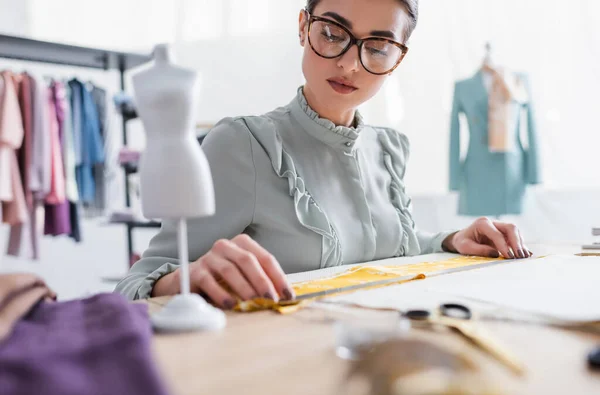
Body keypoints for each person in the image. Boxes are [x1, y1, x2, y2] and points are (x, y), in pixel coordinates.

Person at [115, 0, 532, 308]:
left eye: (378, 47)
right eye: (333, 34)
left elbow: (386, 250)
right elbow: (132, 285)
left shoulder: (387, 148)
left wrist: (452, 239)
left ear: (398, 58)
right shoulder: (244, 143)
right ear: (303, 27)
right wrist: (183, 281)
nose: (351, 64)